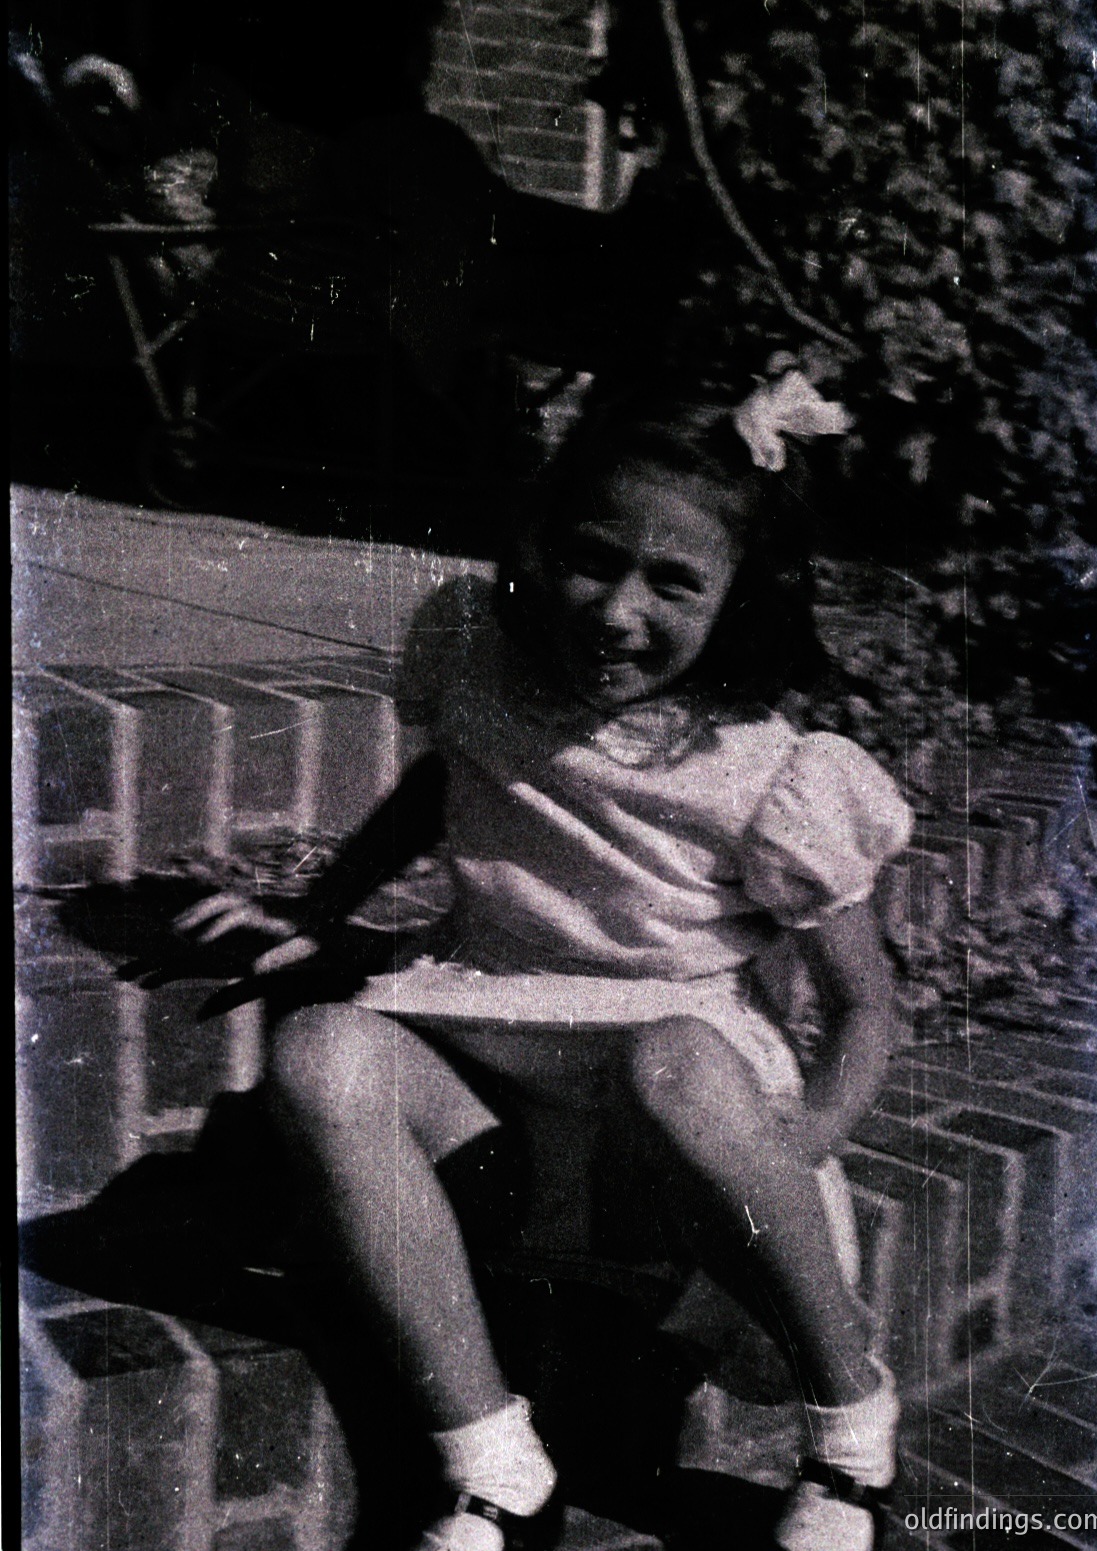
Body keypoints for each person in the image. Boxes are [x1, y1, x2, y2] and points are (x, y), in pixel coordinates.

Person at [179, 380, 912, 1551]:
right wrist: (321, 910)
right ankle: (494, 1462)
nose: (616, 611)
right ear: (539, 542)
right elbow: (445, 782)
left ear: (740, 599)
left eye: (673, 582)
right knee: (320, 1045)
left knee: (676, 1054)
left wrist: (792, 1154)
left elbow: (867, 1005)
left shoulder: (772, 770)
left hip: (670, 1137)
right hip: (493, 1100)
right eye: (592, 558)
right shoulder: (475, 651)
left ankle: (852, 1426)